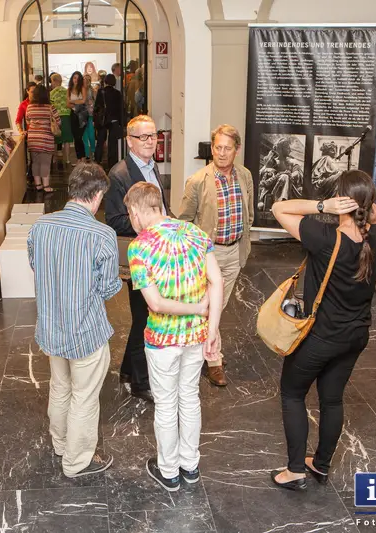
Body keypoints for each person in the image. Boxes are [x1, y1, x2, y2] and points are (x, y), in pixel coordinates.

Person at [268, 170, 376, 491]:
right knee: (332, 399)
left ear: (341, 201)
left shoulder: (325, 237)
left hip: (319, 337)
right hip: (354, 337)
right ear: (370, 203)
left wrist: (322, 206)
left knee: (292, 392)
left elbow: (279, 209)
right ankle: (321, 464)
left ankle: (296, 469)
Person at [124, 182, 223, 492]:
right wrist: (213, 327)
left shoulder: (139, 247)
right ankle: (190, 466)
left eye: (130, 214)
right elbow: (216, 281)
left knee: (167, 405)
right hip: (196, 336)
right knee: (189, 398)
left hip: (162, 340)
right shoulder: (195, 233)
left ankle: (169, 472)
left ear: (137, 211)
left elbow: (155, 303)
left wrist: (194, 308)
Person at [27, 163, 122, 478]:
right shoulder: (102, 234)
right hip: (86, 332)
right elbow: (108, 288)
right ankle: (76, 461)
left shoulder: (41, 226)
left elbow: (34, 263)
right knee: (84, 397)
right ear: (96, 196)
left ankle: (59, 444)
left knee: (60, 387)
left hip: (51, 327)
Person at [178, 124, 255, 387]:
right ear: (212, 149)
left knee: (214, 309)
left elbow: (249, 213)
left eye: (227, 148)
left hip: (235, 252)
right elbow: (184, 221)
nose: (221, 154)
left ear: (237, 150)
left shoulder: (245, 176)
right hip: (208, 255)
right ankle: (213, 360)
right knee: (211, 309)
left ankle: (199, 350)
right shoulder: (198, 181)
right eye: (217, 148)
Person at [104, 115, 169, 403]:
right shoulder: (120, 175)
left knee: (143, 317)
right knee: (145, 319)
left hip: (157, 251)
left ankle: (129, 371)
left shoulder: (153, 167)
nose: (149, 141)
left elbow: (160, 208)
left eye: (153, 136)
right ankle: (141, 384)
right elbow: (115, 220)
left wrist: (169, 222)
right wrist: (155, 224)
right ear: (129, 140)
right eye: (142, 137)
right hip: (139, 256)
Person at [26, 84, 60, 192]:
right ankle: (46, 186)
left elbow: (27, 120)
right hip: (46, 139)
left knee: (35, 162)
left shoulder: (29, 107)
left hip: (32, 139)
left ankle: (38, 185)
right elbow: (58, 121)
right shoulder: (50, 107)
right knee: (45, 162)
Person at [257, 136, 303, 211]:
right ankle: (277, 204)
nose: (290, 150)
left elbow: (297, 173)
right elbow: (260, 174)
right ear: (281, 148)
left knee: (284, 177)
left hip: (290, 187)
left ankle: (280, 203)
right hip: (272, 186)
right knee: (283, 176)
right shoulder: (272, 161)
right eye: (288, 148)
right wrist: (268, 169)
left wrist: (288, 174)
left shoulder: (293, 161)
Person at [94, 74, 123, 169]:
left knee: (100, 141)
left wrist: (96, 120)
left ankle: (97, 160)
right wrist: (121, 122)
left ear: (105, 82)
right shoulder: (118, 93)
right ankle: (112, 164)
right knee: (112, 143)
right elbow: (120, 108)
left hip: (103, 120)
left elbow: (97, 107)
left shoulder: (101, 92)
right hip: (114, 120)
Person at [50, 73, 73, 166]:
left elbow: (51, 107)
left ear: (54, 81)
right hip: (67, 116)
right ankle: (67, 159)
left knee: (55, 138)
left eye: (51, 81)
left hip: (56, 117)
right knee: (66, 139)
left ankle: (54, 158)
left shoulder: (51, 93)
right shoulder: (67, 91)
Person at [66, 71, 88, 163]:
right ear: (72, 79)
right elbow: (67, 104)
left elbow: (84, 101)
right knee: (76, 137)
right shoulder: (69, 89)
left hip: (82, 115)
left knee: (79, 136)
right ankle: (80, 158)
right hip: (73, 114)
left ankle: (82, 157)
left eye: (78, 78)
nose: (76, 80)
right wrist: (76, 102)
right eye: (74, 78)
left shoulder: (82, 88)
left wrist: (73, 101)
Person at [82, 74, 97, 160]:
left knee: (90, 134)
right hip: (84, 115)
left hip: (90, 115)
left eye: (87, 80)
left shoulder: (92, 90)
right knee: (86, 135)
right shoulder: (82, 90)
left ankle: (91, 152)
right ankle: (88, 153)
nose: (86, 81)